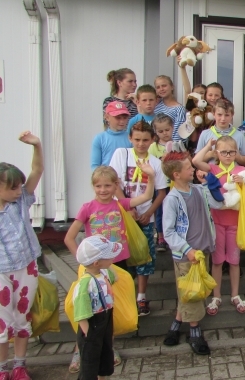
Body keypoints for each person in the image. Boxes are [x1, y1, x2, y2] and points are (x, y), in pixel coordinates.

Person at [64, 164, 155, 372]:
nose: (103, 190)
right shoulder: (87, 208)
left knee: (108, 309)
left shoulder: (121, 205)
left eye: (107, 185)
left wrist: (150, 177)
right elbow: (69, 237)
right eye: (98, 186)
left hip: (117, 265)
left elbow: (145, 197)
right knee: (88, 309)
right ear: (93, 187)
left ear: (116, 186)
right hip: (93, 267)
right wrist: (83, 259)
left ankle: (108, 347)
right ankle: (81, 348)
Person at [0, 132, 43, 380]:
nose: (20, 190)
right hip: (0, 272)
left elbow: (36, 171)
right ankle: (1, 369)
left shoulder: (20, 202)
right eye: (13, 187)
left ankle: (20, 365)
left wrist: (37, 146)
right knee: (0, 320)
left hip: (27, 268)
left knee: (22, 316)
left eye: (20, 186)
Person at [160, 150, 222, 355]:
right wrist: (186, 250)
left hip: (202, 252)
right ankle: (195, 331)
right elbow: (168, 231)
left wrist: (210, 182)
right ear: (176, 174)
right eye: (188, 167)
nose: (193, 169)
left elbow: (218, 203)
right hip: (187, 255)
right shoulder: (172, 199)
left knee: (189, 291)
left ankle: (176, 325)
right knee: (192, 293)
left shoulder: (198, 190)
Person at [109, 121, 168, 316]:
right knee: (120, 256)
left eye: (145, 140)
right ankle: (121, 295)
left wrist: (149, 212)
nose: (141, 144)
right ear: (130, 138)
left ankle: (141, 297)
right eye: (137, 140)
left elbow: (161, 192)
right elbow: (114, 183)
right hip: (122, 216)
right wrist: (127, 206)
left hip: (144, 217)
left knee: (144, 257)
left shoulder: (156, 163)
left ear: (152, 140)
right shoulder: (121, 154)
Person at [192, 136, 245, 315]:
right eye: (224, 152)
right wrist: (208, 146)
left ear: (236, 153)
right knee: (217, 261)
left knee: (234, 261)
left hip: (235, 223)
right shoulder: (212, 169)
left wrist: (243, 184)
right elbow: (196, 161)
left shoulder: (241, 170)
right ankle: (216, 296)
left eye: (232, 152)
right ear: (217, 153)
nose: (228, 155)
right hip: (216, 221)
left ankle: (235, 294)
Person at [72, 235, 121, 380]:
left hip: (105, 318)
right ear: (96, 262)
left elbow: (116, 278)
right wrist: (89, 335)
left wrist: (108, 264)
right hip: (92, 324)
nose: (112, 259)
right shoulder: (85, 284)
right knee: (90, 362)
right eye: (109, 257)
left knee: (105, 355)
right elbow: (81, 313)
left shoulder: (104, 273)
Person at [196, 99, 245, 167]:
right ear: (213, 114)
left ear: (232, 115)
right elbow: (196, 160)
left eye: (227, 115)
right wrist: (209, 155)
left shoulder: (239, 135)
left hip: (232, 176)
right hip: (212, 175)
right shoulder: (205, 134)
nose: (223, 119)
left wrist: (237, 156)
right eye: (219, 115)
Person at [149, 114, 174, 252]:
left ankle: (172, 236)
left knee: (173, 211)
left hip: (174, 184)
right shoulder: (153, 147)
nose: (164, 133)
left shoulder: (177, 144)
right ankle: (160, 237)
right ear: (156, 132)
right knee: (160, 211)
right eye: (160, 131)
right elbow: (150, 164)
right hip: (160, 185)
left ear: (172, 128)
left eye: (167, 130)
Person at [91, 101, 133, 171]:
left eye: (124, 118)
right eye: (118, 118)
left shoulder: (131, 138)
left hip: (125, 179)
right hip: (106, 179)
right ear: (107, 117)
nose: (122, 121)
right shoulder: (99, 138)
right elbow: (95, 166)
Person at [153, 75, 186, 142]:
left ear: (172, 87)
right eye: (158, 87)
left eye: (164, 86)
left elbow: (178, 134)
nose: (161, 89)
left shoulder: (179, 109)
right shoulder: (155, 106)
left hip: (170, 147)